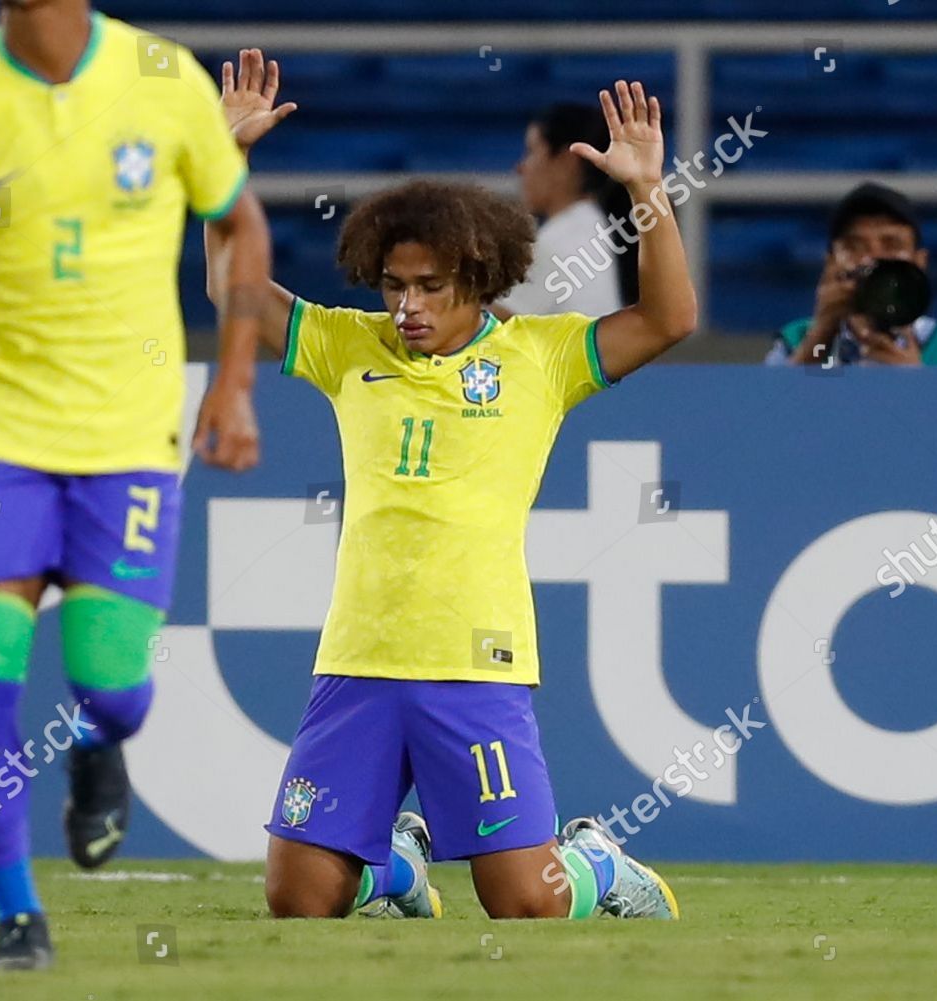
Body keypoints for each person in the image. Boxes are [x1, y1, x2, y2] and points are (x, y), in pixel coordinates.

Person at [208, 51, 693, 922]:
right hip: (356, 658)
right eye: (394, 285)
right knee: (298, 898)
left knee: (526, 905)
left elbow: (669, 320)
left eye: (432, 287)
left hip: (475, 662)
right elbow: (231, 287)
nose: (408, 307)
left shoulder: (541, 357)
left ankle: (600, 866)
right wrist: (224, 164)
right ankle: (395, 867)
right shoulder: (346, 346)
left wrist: (647, 192)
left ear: (481, 280)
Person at [0, 0, 272, 971]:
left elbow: (244, 227)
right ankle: (17, 916)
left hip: (127, 436)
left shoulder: (166, 78)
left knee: (113, 688)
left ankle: (95, 741)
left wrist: (237, 386)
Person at [766, 181, 937, 367]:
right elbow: (760, 423)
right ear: (830, 263)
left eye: (891, 244)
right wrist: (817, 341)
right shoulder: (796, 341)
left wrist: (920, 387)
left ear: (920, 261)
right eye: (854, 246)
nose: (873, 259)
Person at [496, 103, 627, 320]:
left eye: (531, 151)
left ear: (567, 162)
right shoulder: (592, 227)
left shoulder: (558, 244)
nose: (521, 167)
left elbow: (477, 329)